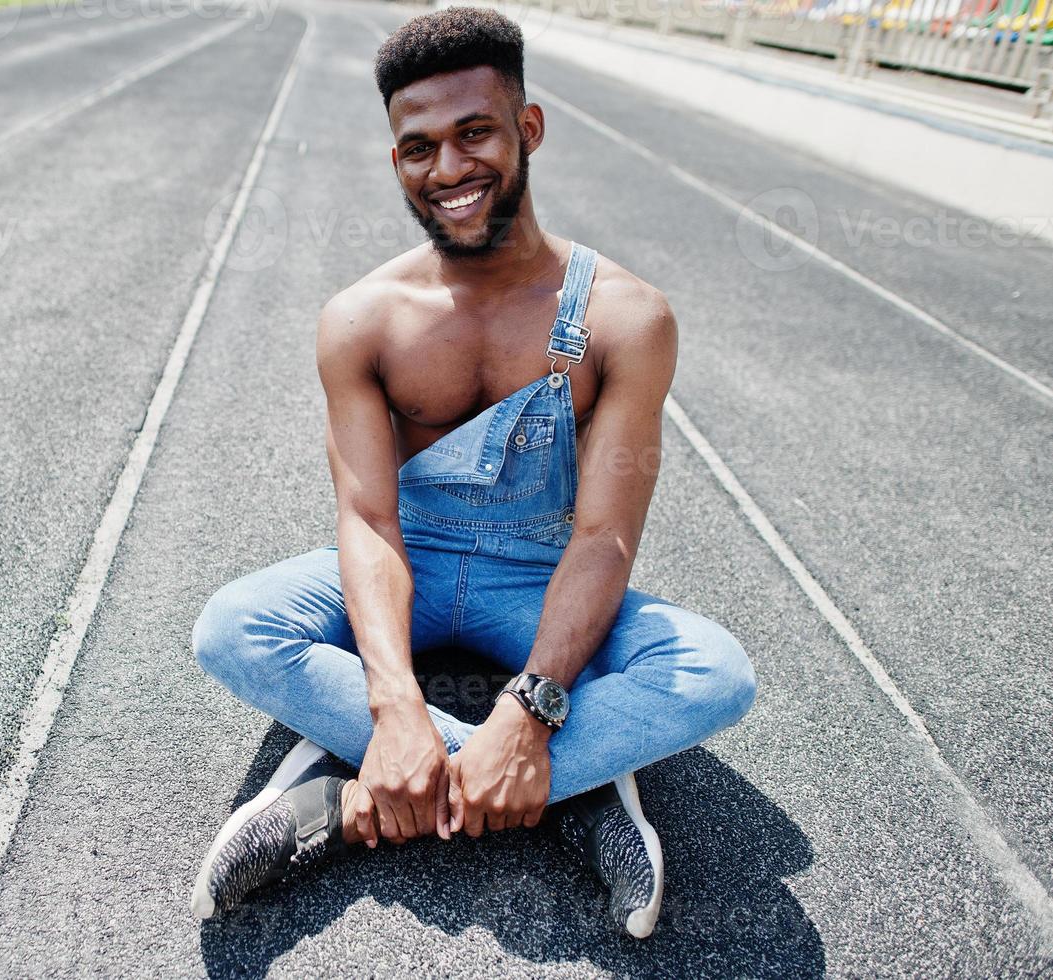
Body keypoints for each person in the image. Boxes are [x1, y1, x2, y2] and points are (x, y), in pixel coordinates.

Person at [187, 6, 756, 939]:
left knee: (714, 675)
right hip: (406, 559)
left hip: (537, 575)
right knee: (232, 629)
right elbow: (368, 521)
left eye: (473, 133)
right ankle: (569, 793)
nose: (446, 171)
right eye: (417, 148)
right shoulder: (362, 318)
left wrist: (525, 717)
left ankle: (348, 792)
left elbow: (602, 536)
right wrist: (395, 705)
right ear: (395, 157)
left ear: (526, 130)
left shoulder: (625, 319)